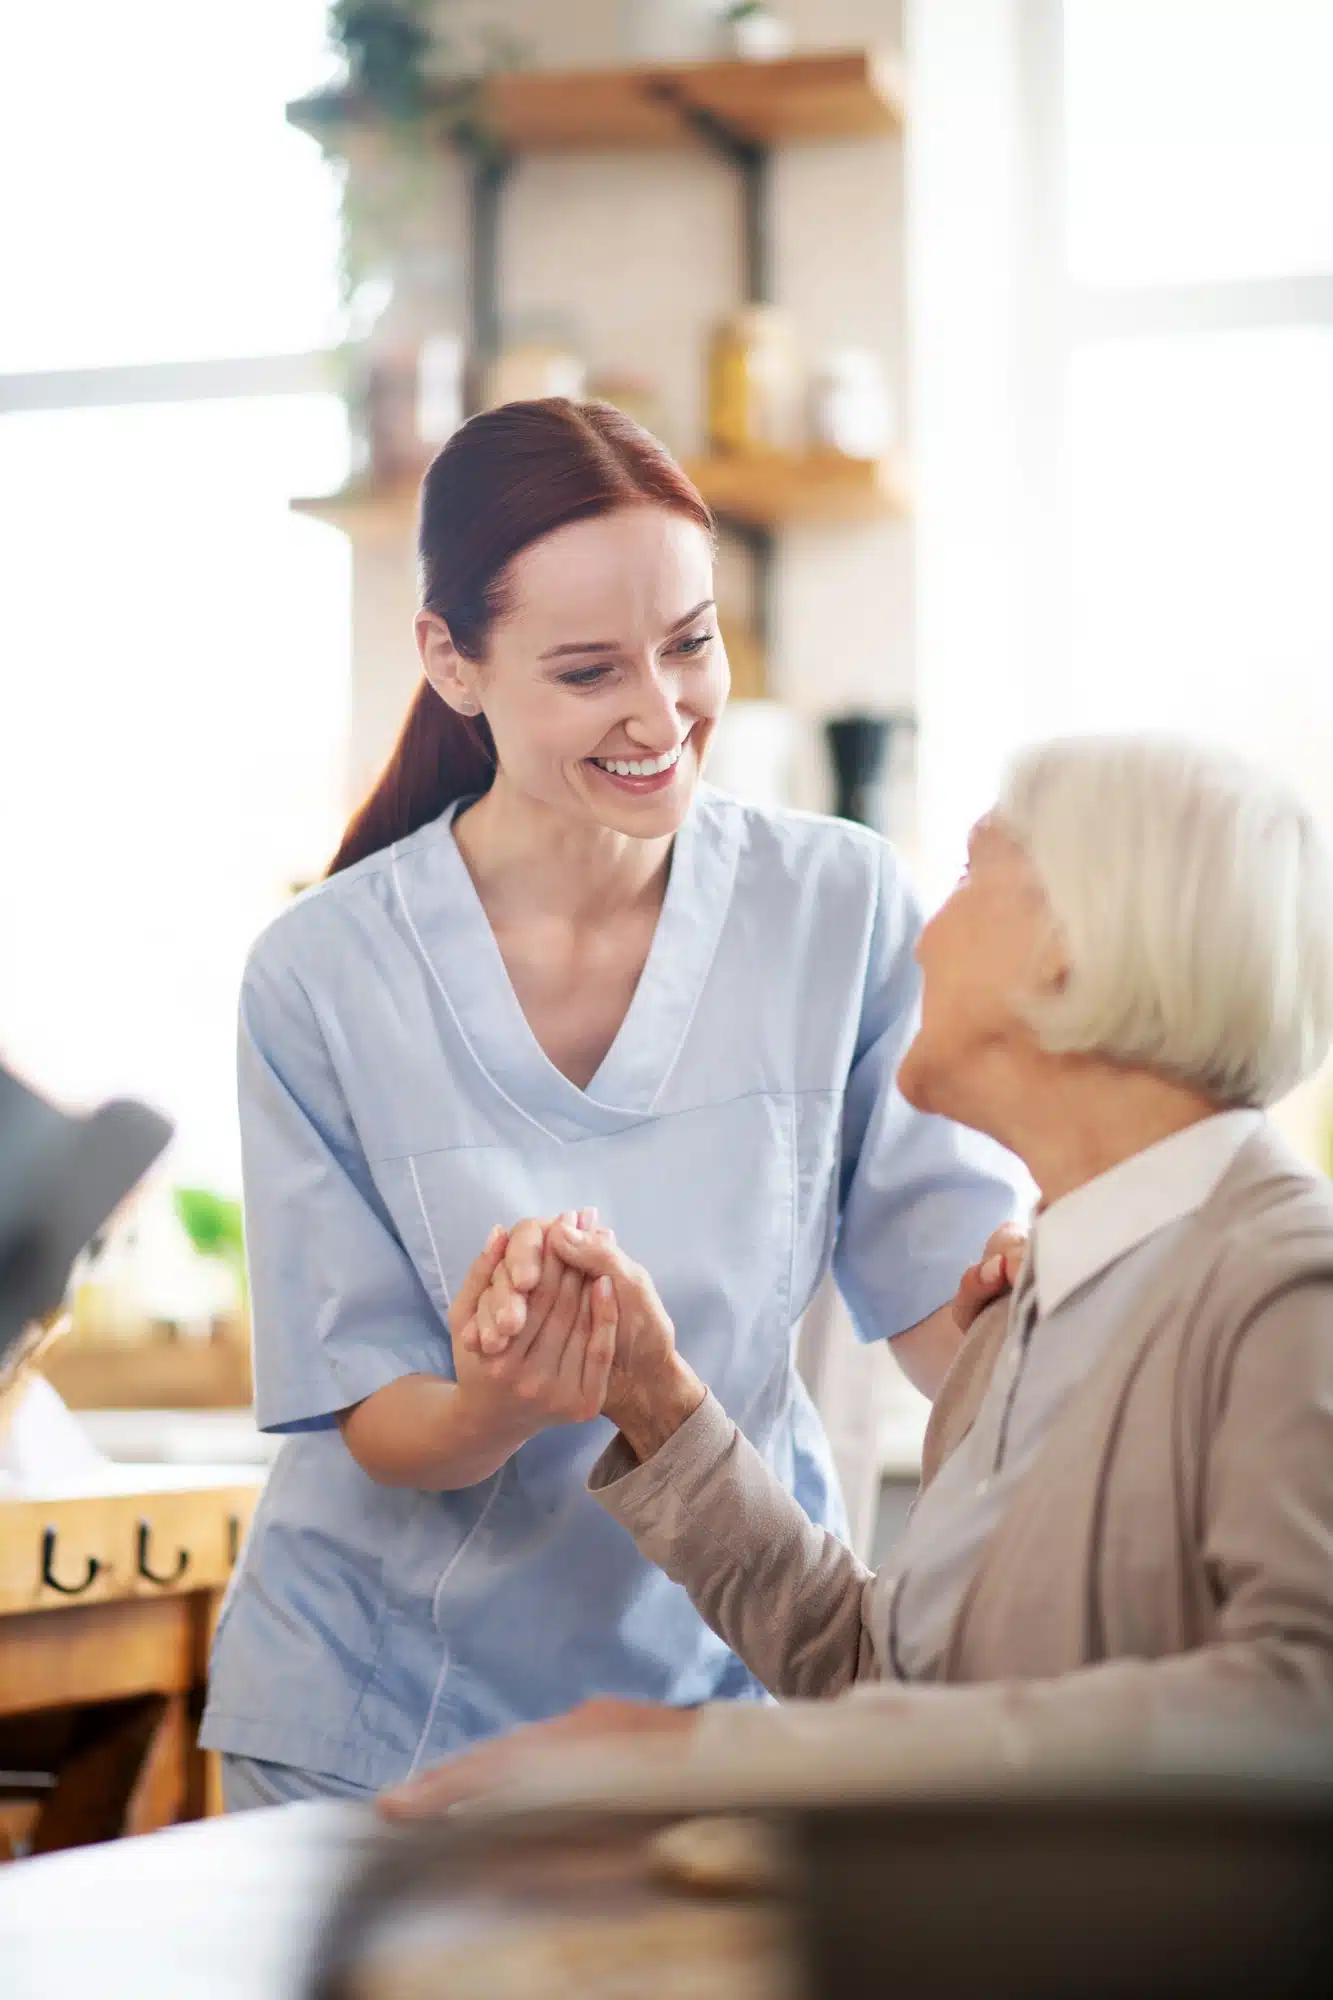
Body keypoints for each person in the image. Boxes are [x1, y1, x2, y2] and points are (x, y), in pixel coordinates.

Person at [201, 399, 1018, 1807]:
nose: (660, 713)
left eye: (689, 641)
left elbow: (953, 1327)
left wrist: (1079, 1319)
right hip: (378, 1726)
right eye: (586, 671)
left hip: (718, 1707)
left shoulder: (837, 909)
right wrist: (496, 1402)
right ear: (451, 663)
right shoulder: (320, 974)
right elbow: (376, 1419)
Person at [380, 733, 1333, 1819]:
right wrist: (652, 1393)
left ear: (1070, 944)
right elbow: (885, 1678)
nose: (921, 940)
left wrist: (709, 1757)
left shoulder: (1288, 1287)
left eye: (974, 875)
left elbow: (1301, 1704)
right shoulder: (1041, 1305)